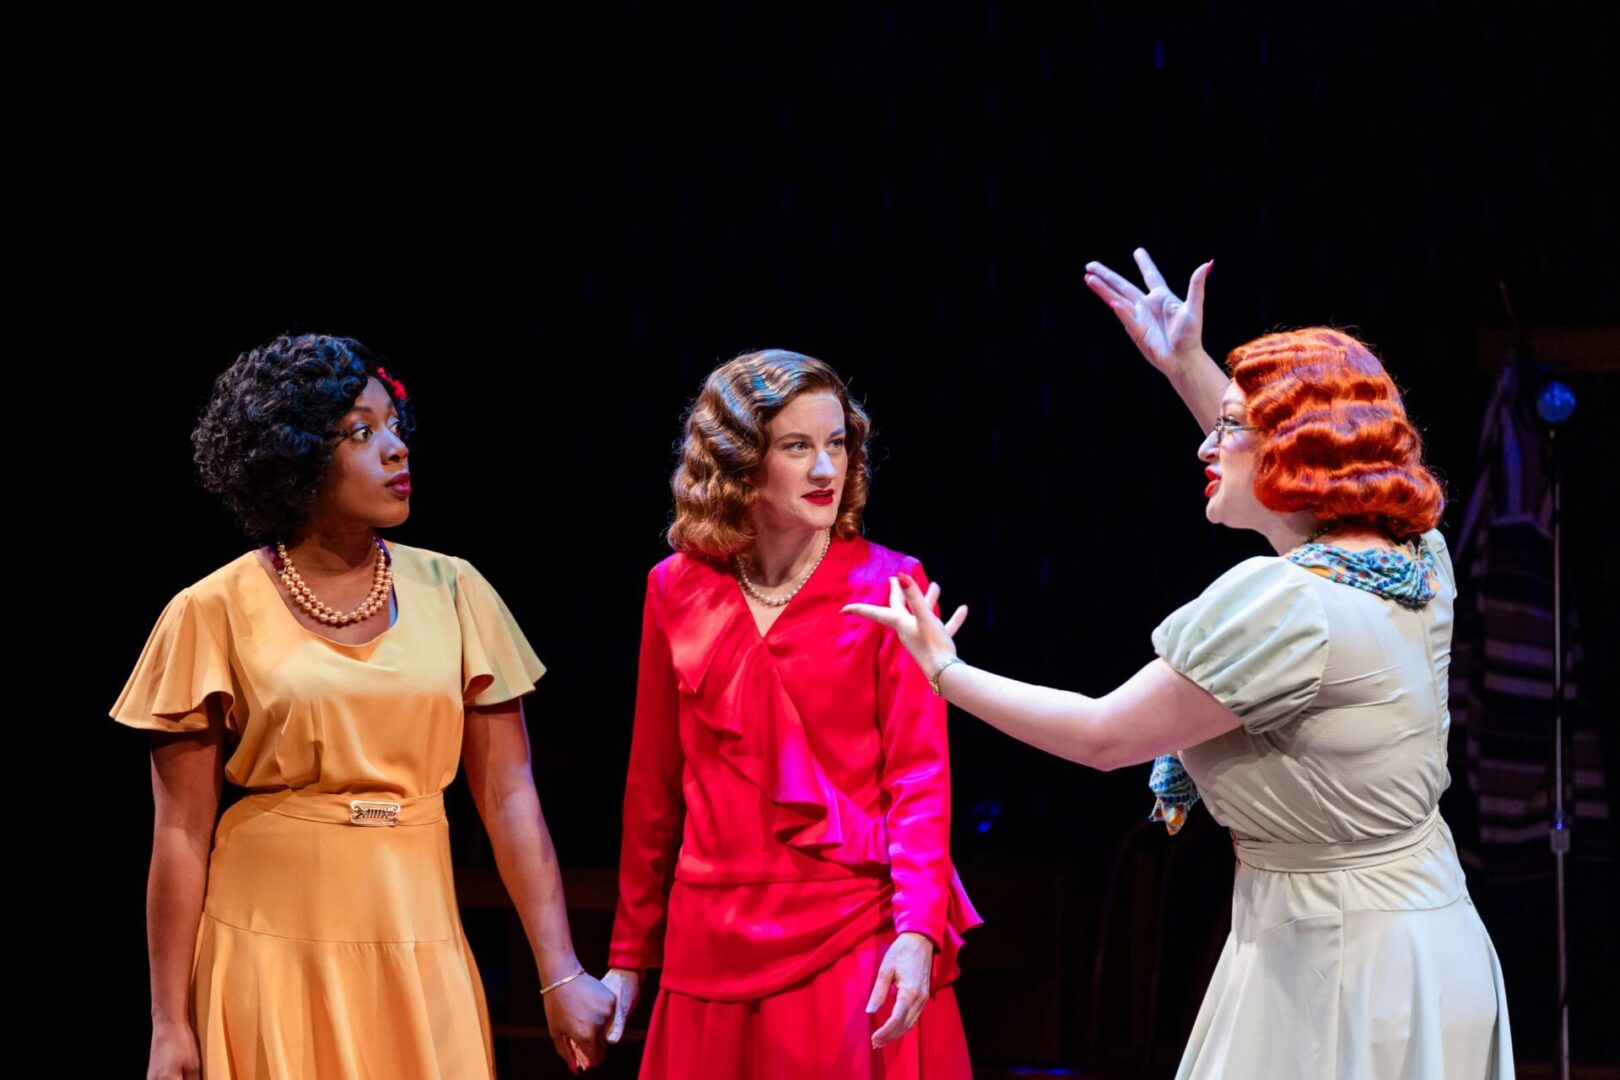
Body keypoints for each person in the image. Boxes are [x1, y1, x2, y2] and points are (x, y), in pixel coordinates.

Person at [848, 252, 1515, 1078]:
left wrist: (944, 671)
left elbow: (1104, 736)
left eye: (1232, 426)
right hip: (1424, 942)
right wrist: (1185, 364)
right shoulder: (1417, 559)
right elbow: (1289, 485)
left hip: (1338, 967)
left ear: (1294, 452)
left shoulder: (1285, 607)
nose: (1210, 441)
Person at [113, 333, 614, 1079]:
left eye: (395, 427)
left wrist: (561, 970)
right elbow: (181, 833)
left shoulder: (456, 591)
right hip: (266, 945)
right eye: (361, 432)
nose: (397, 450)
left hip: (417, 933)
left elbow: (509, 797)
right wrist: (168, 1024)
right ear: (293, 458)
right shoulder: (208, 610)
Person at [601, 350, 981, 1078]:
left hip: (849, 934)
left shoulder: (889, 583)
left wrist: (919, 932)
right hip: (707, 942)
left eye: (836, 444)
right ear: (741, 461)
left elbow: (920, 782)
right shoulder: (674, 590)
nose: (825, 470)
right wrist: (628, 957)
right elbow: (651, 789)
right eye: (797, 446)